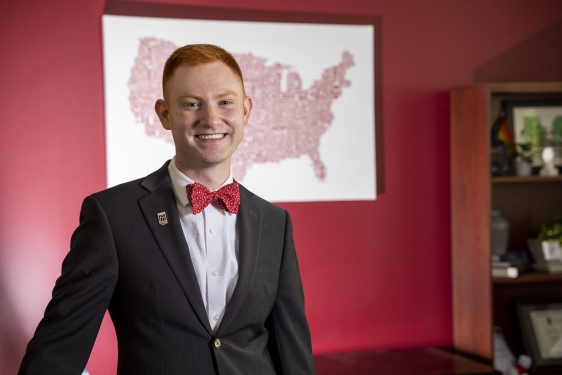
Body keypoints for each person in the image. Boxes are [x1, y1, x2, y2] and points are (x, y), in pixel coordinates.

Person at [18, 44, 315, 375]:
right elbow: (56, 351)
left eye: (225, 102)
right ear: (164, 114)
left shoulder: (276, 222)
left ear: (245, 111)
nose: (211, 119)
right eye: (192, 104)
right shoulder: (113, 217)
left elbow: (293, 354)